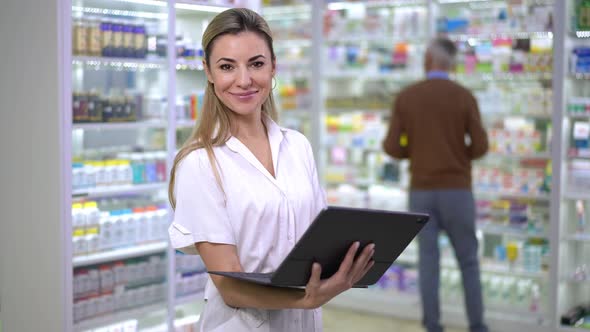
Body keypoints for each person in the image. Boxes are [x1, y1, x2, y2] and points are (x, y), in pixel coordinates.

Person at [168, 8, 375, 332]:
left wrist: (347, 266)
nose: (244, 80)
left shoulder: (297, 147)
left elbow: (316, 246)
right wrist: (304, 299)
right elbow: (230, 286)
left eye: (256, 63)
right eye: (227, 67)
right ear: (208, 72)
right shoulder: (199, 163)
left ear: (273, 66)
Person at [382, 37, 489, 332]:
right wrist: (458, 155)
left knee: (429, 263)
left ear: (428, 60)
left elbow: (391, 146)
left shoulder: (407, 97)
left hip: (421, 191)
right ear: (450, 63)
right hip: (457, 191)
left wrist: (414, 152)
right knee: (468, 261)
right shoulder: (464, 96)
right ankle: (478, 326)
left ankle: (432, 326)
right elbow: (480, 146)